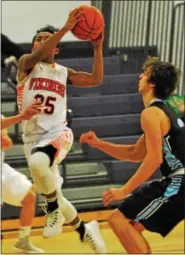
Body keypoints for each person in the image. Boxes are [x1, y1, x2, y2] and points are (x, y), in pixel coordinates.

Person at [16, 7, 105, 253]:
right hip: (31, 139)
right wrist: (64, 28)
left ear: (56, 48)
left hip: (58, 134)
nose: (42, 43)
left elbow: (95, 80)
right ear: (34, 46)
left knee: (39, 168)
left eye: (48, 39)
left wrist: (97, 48)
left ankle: (52, 210)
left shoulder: (63, 73)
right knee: (56, 193)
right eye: (38, 39)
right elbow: (39, 53)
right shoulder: (26, 64)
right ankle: (87, 231)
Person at [80, 57, 185, 254]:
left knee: (118, 220)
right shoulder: (163, 111)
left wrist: (124, 190)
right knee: (132, 226)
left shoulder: (151, 114)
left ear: (152, 83)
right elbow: (135, 153)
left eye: (145, 74)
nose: (140, 76)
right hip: (179, 183)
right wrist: (98, 144)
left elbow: (155, 159)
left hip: (178, 183)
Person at [1, 103, 44, 253]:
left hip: (1, 170)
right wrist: (21, 116)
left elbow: (5, 141)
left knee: (29, 197)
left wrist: (4, 140)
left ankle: (23, 240)